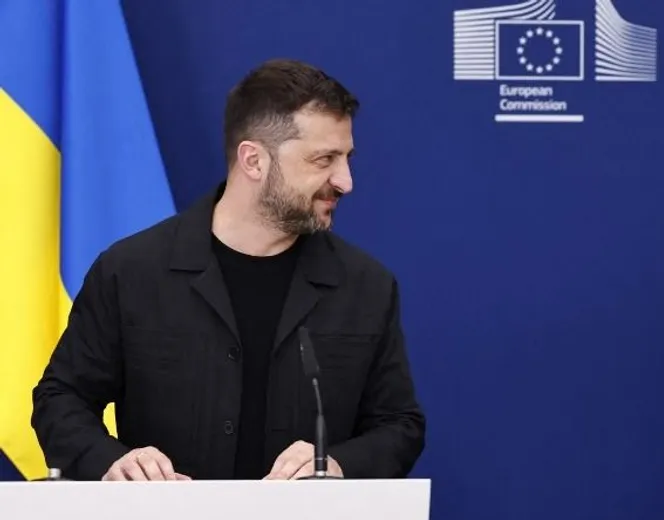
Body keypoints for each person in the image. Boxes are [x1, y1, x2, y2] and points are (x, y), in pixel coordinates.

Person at [31, 58, 426, 481]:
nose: (345, 181)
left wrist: (338, 464)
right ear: (253, 161)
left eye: (346, 158)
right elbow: (61, 398)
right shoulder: (130, 272)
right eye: (324, 159)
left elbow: (399, 425)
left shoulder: (366, 286)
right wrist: (112, 462)